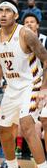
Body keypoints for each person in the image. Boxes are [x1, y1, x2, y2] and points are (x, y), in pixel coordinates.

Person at [0, 1, 47, 168]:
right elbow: (1, 61)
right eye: (1, 11)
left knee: (27, 123)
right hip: (12, 87)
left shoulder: (25, 34)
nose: (3, 14)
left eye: (8, 11)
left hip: (32, 84)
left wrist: (44, 88)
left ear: (15, 16)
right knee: (4, 129)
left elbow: (46, 58)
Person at [23, 13, 47, 153]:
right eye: (26, 22)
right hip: (28, 86)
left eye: (32, 21)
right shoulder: (20, 43)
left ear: (37, 25)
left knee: (44, 120)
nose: (29, 24)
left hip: (44, 85)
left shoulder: (45, 40)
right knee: (24, 122)